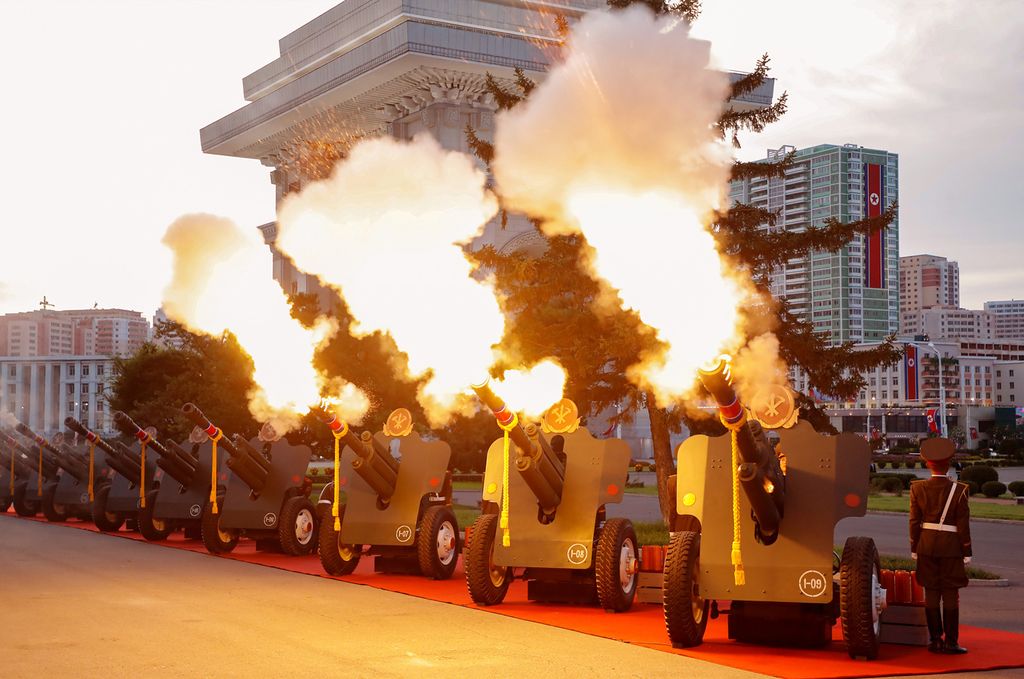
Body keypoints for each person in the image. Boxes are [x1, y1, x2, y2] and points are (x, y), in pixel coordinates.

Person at [910, 438, 972, 654]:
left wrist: (914, 547)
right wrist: (966, 550)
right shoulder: (960, 490)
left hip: (926, 546)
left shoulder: (917, 488)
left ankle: (935, 640)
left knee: (932, 593)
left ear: (927, 463)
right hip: (951, 548)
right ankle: (951, 642)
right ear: (949, 464)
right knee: (950, 594)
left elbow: (914, 522)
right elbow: (963, 524)